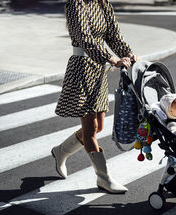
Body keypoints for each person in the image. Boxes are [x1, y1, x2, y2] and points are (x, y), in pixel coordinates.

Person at [52, 0, 137, 193]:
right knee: (90, 130)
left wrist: (129, 54)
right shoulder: (76, 4)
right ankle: (103, 178)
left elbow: (113, 34)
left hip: (98, 70)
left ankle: (60, 152)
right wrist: (112, 59)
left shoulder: (102, 3)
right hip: (82, 67)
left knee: (98, 126)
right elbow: (85, 39)